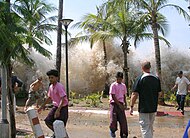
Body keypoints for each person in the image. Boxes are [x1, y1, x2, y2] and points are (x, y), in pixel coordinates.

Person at [130, 61, 161, 138]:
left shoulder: (140, 78)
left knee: (145, 128)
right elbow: (160, 93)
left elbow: (134, 94)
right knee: (150, 126)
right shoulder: (156, 78)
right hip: (153, 107)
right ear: (149, 67)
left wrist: (131, 106)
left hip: (144, 108)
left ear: (142, 68)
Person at [38, 69, 68, 138]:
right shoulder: (51, 86)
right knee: (48, 121)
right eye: (49, 78)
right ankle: (59, 134)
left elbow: (63, 99)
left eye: (52, 77)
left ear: (57, 78)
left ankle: (60, 134)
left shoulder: (59, 86)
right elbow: (49, 98)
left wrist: (58, 110)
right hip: (55, 106)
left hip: (62, 107)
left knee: (60, 124)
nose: (50, 79)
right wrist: (42, 106)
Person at [109, 72, 128, 138]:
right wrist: (119, 104)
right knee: (113, 120)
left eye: (120, 79)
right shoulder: (113, 85)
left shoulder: (123, 85)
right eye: (118, 79)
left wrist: (125, 103)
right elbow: (113, 95)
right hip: (114, 104)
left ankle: (123, 134)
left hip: (121, 103)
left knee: (123, 121)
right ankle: (112, 131)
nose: (119, 80)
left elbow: (124, 95)